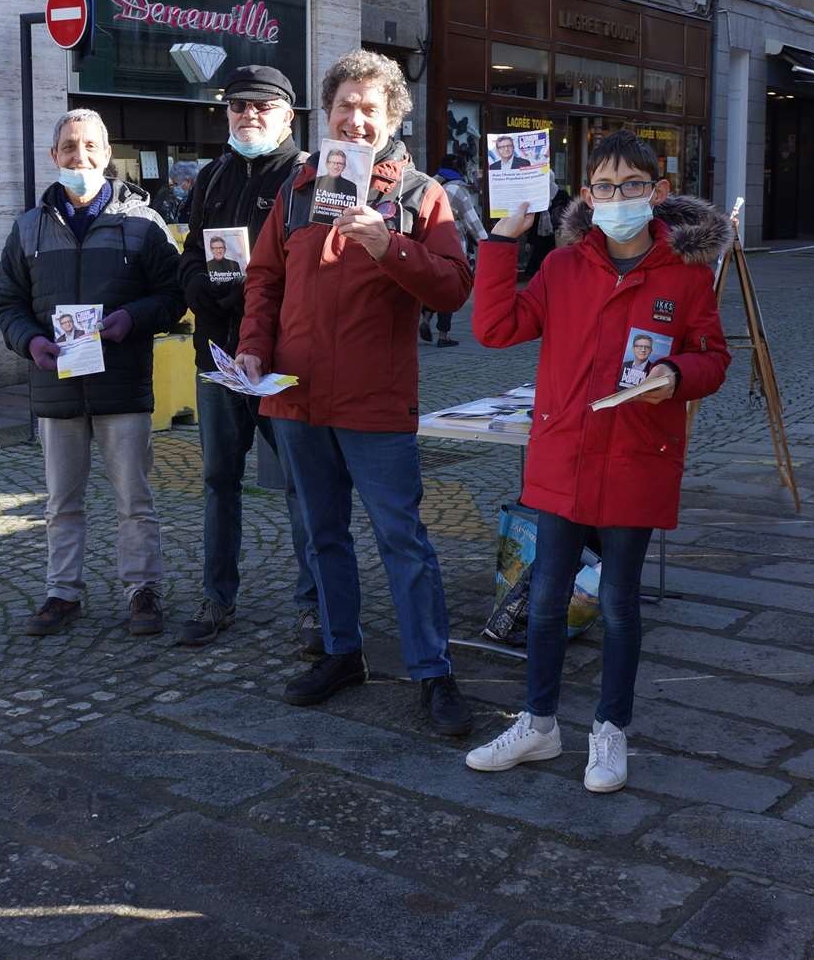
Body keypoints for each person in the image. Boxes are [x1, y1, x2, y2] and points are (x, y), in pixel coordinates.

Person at [465, 129, 731, 793]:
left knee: (617, 601)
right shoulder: (561, 267)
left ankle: (610, 731)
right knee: (547, 597)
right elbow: (494, 329)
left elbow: (713, 356)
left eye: (633, 186)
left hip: (635, 456)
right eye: (606, 187)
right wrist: (502, 239)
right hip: (563, 454)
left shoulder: (686, 273)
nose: (618, 198)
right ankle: (537, 724)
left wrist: (677, 372)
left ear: (658, 193)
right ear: (587, 195)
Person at [235, 49, 474, 735]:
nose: (357, 119)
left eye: (371, 108)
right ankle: (342, 653)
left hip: (374, 401)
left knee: (402, 538)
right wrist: (252, 347)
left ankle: (432, 672)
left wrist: (386, 245)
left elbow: (453, 287)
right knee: (320, 536)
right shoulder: (297, 187)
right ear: (327, 113)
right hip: (296, 395)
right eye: (346, 106)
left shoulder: (419, 194)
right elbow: (264, 282)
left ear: (392, 116)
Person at [0, 108, 185, 638]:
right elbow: (6, 302)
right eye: (70, 148)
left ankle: (142, 591)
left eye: (91, 147)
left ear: (108, 153)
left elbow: (171, 295)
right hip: (57, 388)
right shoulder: (29, 227)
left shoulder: (143, 223)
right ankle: (62, 593)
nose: (81, 158)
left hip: (121, 384)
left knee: (135, 501)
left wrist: (132, 318)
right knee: (60, 503)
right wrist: (29, 341)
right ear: (54, 156)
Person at [175, 64, 320, 651]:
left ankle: (314, 605)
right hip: (218, 355)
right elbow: (188, 252)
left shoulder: (307, 177)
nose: (249, 116)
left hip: (284, 358)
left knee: (301, 485)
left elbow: (316, 267)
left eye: (262, 106)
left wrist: (256, 291)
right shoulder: (212, 176)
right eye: (238, 107)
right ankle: (217, 598)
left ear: (289, 114)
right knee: (218, 481)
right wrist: (198, 286)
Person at [421, 158, 486, 349]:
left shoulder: (429, 185)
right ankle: (444, 334)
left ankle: (425, 319)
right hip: (452, 244)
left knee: (433, 285)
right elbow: (472, 221)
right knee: (450, 287)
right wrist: (487, 242)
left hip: (428, 244)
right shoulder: (457, 190)